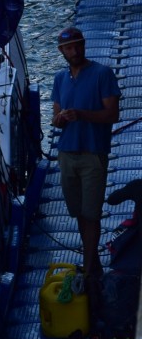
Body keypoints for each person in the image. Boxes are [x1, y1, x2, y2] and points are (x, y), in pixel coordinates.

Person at [51, 26, 121, 319]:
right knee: (79, 212)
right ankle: (93, 262)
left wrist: (82, 115)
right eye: (69, 48)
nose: (75, 52)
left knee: (91, 213)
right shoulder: (59, 79)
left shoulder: (103, 74)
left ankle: (90, 269)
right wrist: (62, 119)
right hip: (67, 153)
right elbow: (55, 120)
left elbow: (112, 114)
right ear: (62, 52)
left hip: (92, 154)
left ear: (84, 45)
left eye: (78, 46)